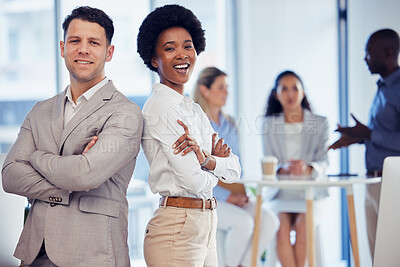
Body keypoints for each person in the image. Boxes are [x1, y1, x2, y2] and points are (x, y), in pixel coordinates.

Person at [1, 6, 143, 267]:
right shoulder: (40, 110)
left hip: (93, 254)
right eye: (75, 41)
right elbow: (10, 175)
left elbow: (84, 174)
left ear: (109, 52)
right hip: (34, 253)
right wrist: (70, 182)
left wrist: (36, 157)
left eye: (94, 42)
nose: (83, 49)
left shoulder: (126, 113)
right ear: (62, 47)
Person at [136, 5, 241, 267]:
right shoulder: (161, 107)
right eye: (170, 48)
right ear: (154, 59)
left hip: (204, 224)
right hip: (177, 228)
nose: (182, 55)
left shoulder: (192, 109)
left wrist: (207, 161)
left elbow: (236, 169)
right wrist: (214, 165)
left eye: (188, 46)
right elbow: (193, 181)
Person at [193, 66, 279, 267]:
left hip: (232, 193)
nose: (226, 93)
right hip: (208, 197)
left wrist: (240, 193)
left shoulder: (229, 123)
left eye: (227, 87)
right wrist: (226, 197)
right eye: (221, 87)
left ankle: (245, 264)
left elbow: (235, 166)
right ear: (205, 90)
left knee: (269, 221)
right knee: (244, 223)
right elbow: (198, 172)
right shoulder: (197, 124)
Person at [329, 28, 400, 258]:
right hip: (373, 180)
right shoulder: (382, 88)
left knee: (392, 253)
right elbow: (385, 133)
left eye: (369, 53)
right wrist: (358, 138)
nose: (365, 58)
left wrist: (368, 134)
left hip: (392, 183)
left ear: (388, 53)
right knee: (377, 255)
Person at [262, 70, 329, 267]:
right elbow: (268, 160)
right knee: (280, 228)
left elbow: (324, 160)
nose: (290, 94)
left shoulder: (320, 122)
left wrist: (308, 167)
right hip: (280, 194)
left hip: (311, 194)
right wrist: (282, 168)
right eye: (284, 89)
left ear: (303, 92)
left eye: (295, 88)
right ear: (276, 94)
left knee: (303, 227)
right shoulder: (268, 124)